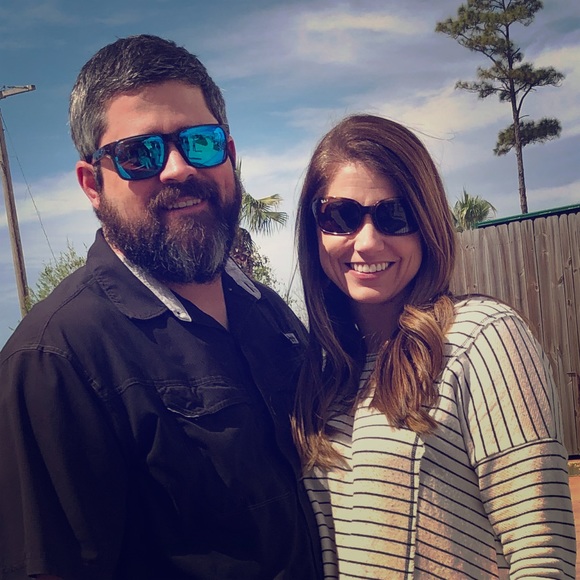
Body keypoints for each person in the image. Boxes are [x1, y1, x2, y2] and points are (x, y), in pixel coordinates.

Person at [0, 35, 323, 580]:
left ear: (230, 155)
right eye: (139, 154)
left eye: (200, 142)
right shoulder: (54, 363)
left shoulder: (270, 313)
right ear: (92, 184)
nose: (177, 169)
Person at [292, 114, 576, 578]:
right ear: (315, 229)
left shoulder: (483, 338)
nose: (367, 241)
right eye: (340, 216)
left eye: (395, 215)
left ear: (427, 224)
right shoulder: (324, 375)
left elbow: (543, 557)